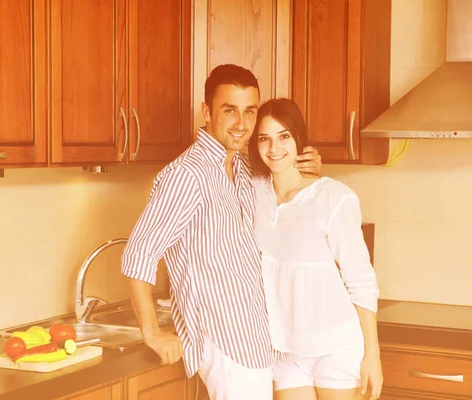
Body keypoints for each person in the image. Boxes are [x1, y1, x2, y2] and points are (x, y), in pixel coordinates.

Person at [121, 65, 322, 399]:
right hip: (226, 341)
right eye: (230, 110)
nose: (241, 123)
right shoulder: (187, 176)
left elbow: (287, 210)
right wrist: (152, 332)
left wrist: (306, 169)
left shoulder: (243, 168)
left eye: (249, 111)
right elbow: (138, 254)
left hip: (262, 336)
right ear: (207, 112)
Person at [248, 98, 383, 400]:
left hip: (336, 344)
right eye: (264, 138)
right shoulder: (252, 193)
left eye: (284, 136)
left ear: (299, 139)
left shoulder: (333, 197)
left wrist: (372, 354)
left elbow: (360, 280)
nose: (274, 148)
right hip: (285, 348)